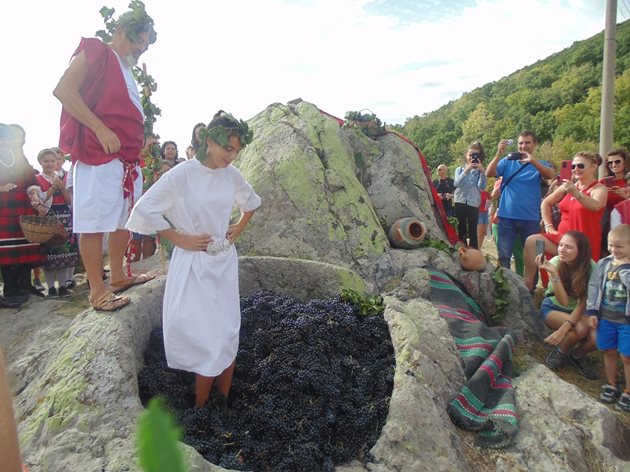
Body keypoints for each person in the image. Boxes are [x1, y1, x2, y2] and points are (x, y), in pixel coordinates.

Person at [126, 111, 260, 408]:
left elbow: (250, 202)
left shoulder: (231, 175)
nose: (233, 156)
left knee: (227, 330)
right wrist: (179, 238)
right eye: (228, 148)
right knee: (205, 333)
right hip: (195, 264)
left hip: (224, 262)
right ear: (209, 141)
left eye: (237, 150)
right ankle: (200, 407)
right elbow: (145, 209)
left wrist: (238, 226)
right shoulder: (182, 174)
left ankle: (223, 401)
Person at [53, 5, 157, 311]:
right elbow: (64, 90)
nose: (142, 49)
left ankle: (119, 276)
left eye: (147, 45)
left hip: (126, 158)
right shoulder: (96, 50)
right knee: (95, 222)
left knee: (123, 219)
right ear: (121, 31)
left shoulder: (126, 69)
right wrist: (100, 129)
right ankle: (97, 291)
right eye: (140, 40)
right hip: (100, 152)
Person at [524, 151, 607, 291]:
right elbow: (546, 203)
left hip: (583, 241)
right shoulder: (568, 186)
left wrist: (577, 193)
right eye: (573, 166)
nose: (575, 169)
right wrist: (548, 224)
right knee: (534, 242)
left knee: (577, 285)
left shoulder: (599, 189)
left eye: (580, 166)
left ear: (594, 167)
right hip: (560, 238)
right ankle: (529, 286)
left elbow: (596, 205)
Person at [485, 131, 554, 270]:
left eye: (528, 142)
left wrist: (532, 161)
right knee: (504, 257)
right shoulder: (507, 162)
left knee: (533, 257)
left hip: (530, 219)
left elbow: (549, 175)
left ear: (535, 144)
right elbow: (489, 173)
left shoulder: (540, 164)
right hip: (506, 218)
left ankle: (530, 289)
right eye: (521, 143)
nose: (524, 146)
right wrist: (499, 154)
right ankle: (506, 287)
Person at [537, 231, 598, 378]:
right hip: (553, 307)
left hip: (579, 309)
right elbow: (563, 301)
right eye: (561, 245)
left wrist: (565, 328)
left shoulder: (591, 267)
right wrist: (554, 275)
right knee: (581, 328)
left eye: (569, 247)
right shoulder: (555, 263)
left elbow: (584, 302)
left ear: (581, 250)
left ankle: (577, 356)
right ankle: (560, 352)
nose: (562, 250)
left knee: (598, 338)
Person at [0, 124, 47, 308]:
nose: (8, 142)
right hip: (2, 209)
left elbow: (30, 180)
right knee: (6, 251)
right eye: (4, 138)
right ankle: (10, 290)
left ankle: (25, 287)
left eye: (9, 138)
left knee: (24, 246)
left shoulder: (19, 156)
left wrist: (34, 194)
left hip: (21, 207)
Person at [587, 224, 630, 411]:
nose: (614, 250)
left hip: (626, 321)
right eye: (611, 245)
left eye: (619, 246)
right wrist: (592, 311)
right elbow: (594, 287)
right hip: (606, 318)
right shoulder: (603, 263)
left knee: (627, 356)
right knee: (609, 351)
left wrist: (625, 269)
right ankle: (611, 384)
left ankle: (628, 391)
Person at [35, 149, 79, 298]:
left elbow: (69, 200)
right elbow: (40, 200)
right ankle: (51, 287)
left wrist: (61, 187)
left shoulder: (62, 178)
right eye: (46, 161)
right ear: (40, 162)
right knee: (49, 252)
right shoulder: (38, 179)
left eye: (52, 161)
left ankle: (61, 285)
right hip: (48, 216)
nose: (50, 164)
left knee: (63, 251)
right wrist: (54, 188)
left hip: (64, 215)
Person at [453, 142, 487, 249]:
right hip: (460, 201)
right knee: (461, 229)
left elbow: (482, 187)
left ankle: (473, 255)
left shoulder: (479, 171)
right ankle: (461, 251)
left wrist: (482, 173)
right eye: (471, 155)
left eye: (476, 155)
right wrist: (466, 171)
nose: (473, 157)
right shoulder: (459, 169)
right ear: (466, 155)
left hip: (474, 203)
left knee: (473, 231)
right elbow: (456, 184)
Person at [601, 148, 630, 255]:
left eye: (617, 161)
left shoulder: (628, 181)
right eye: (610, 163)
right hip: (605, 222)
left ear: (625, 162)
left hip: (624, 221)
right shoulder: (603, 182)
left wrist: (624, 196)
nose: (613, 165)